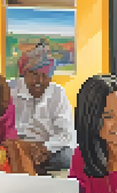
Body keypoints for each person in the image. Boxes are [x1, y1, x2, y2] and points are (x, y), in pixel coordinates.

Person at [9, 41, 77, 174]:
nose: (39, 81)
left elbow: (66, 133)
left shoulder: (58, 93)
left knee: (66, 158)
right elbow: (1, 126)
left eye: (45, 76)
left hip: (48, 145)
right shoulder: (9, 89)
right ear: (24, 74)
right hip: (16, 144)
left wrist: (46, 148)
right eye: (34, 75)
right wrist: (22, 146)